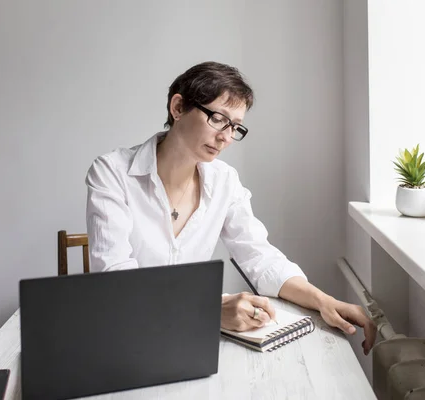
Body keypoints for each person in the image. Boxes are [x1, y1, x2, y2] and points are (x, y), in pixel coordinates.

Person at [85, 61, 376, 355]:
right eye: (218, 119)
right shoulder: (112, 172)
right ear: (178, 107)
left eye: (235, 126)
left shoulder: (224, 181)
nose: (225, 136)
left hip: (188, 343)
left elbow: (260, 257)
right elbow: (116, 282)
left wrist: (324, 301)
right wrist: (208, 309)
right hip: (124, 341)